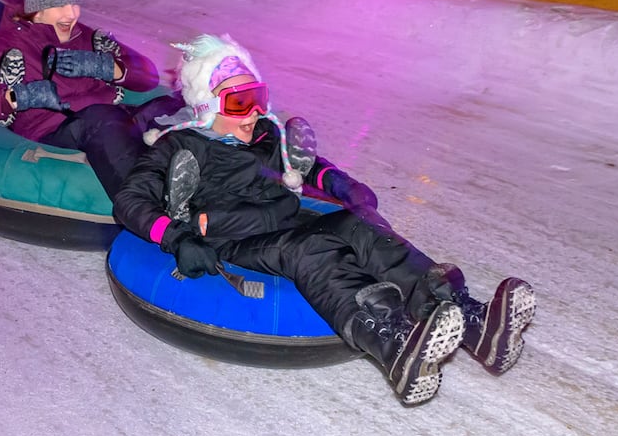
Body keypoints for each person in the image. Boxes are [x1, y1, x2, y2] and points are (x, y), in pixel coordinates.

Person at [113, 33, 536, 406]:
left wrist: (339, 182)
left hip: (285, 224)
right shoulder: (180, 146)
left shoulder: (264, 136)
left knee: (359, 229)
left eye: (258, 98)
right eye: (239, 102)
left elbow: (307, 166)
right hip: (232, 242)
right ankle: (392, 342)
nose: (253, 112)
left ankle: (470, 320)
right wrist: (175, 236)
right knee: (311, 248)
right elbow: (130, 200)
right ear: (207, 105)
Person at [0, 0, 183, 199]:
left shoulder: (85, 34)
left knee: (170, 106)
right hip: (54, 128)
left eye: (74, 3)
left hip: (109, 116)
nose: (71, 13)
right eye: (59, 4)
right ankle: (150, 204)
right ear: (37, 9)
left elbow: (149, 76)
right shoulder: (10, 45)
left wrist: (108, 68)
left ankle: (199, 190)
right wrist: (19, 96)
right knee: (101, 118)